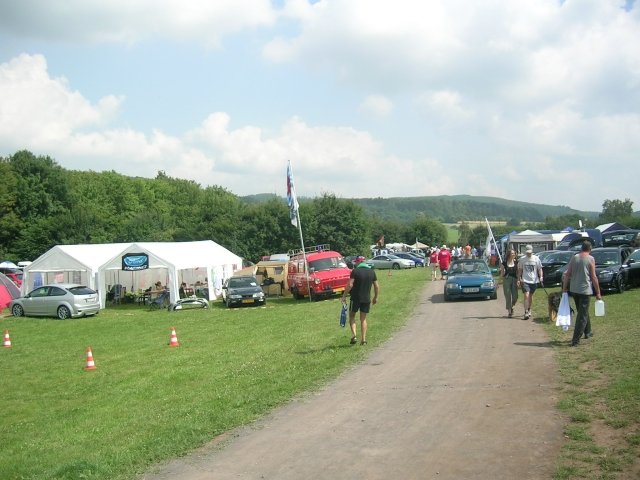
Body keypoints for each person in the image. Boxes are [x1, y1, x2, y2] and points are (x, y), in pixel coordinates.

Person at [562, 241, 602, 347]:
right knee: (582, 315)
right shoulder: (590, 259)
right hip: (585, 290)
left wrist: (564, 288)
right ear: (590, 248)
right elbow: (593, 277)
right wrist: (598, 292)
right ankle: (575, 340)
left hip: (574, 290)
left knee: (582, 311)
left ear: (581, 248)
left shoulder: (574, 257)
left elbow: (567, 274)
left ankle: (587, 332)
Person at [341, 256, 379, 346]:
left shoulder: (355, 271)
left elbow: (350, 284)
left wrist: (344, 296)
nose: (355, 263)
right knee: (363, 319)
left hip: (355, 298)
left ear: (358, 262)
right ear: (364, 262)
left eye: (356, 262)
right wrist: (375, 297)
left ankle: (354, 336)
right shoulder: (371, 272)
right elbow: (376, 286)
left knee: (352, 316)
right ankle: (364, 340)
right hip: (366, 298)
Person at [517, 245, 543, 320]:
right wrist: (518, 279)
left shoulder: (536, 259)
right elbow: (520, 270)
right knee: (526, 295)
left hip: (534, 280)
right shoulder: (522, 259)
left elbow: (540, 269)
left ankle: (529, 308)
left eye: (530, 252)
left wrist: (541, 277)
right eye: (527, 252)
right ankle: (526, 312)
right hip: (525, 280)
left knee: (530, 296)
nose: (529, 254)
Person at [500, 249, 519, 317]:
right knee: (508, 296)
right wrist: (498, 283)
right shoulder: (504, 263)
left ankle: (512, 306)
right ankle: (509, 311)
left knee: (515, 296)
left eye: (514, 253)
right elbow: (502, 274)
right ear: (509, 254)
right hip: (506, 279)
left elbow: (518, 272)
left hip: (514, 279)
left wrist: (519, 280)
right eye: (512, 253)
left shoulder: (516, 262)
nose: (513, 254)